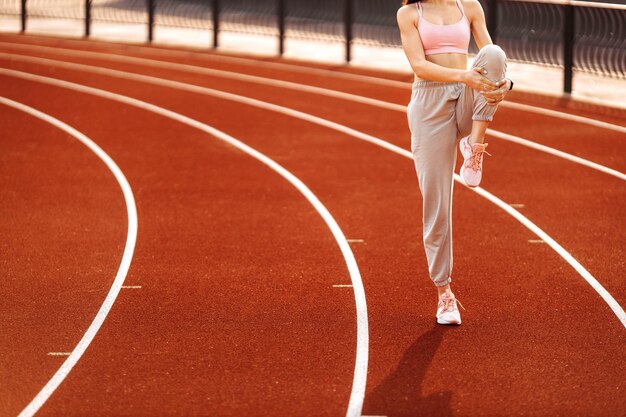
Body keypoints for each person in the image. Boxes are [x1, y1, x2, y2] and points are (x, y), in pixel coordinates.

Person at [397, 0, 513, 325]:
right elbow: (419, 66)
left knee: (495, 54)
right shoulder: (409, 14)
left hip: (466, 98)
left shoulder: (470, 6)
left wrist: (504, 84)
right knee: (438, 205)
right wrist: (465, 76)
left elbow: (490, 60)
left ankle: (474, 145)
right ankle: (444, 293)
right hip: (429, 105)